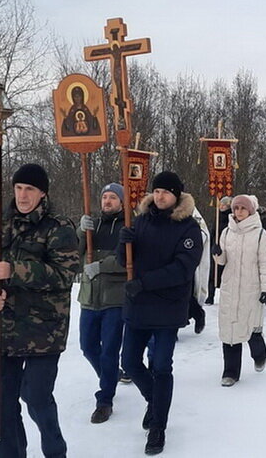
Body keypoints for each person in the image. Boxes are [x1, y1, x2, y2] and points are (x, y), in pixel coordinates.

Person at [0, 163, 79, 458]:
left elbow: (64, 275)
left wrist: (14, 270)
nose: (22, 195)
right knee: (3, 407)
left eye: (29, 189)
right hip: (2, 327)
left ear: (42, 193)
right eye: (18, 188)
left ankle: (55, 450)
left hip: (44, 329)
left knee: (37, 397)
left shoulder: (58, 228)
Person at [118, 171, 203, 454]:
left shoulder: (188, 228)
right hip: (138, 306)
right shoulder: (140, 221)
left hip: (167, 307)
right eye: (157, 191)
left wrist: (145, 283)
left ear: (177, 195)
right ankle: (155, 402)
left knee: (162, 367)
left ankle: (158, 427)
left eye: (166, 191)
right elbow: (124, 261)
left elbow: (182, 269)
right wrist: (124, 241)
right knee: (129, 362)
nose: (160, 196)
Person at [77, 183, 129, 424]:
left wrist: (102, 266)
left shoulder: (127, 226)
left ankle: (105, 399)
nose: (107, 201)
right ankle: (110, 375)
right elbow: (73, 254)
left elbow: (128, 261)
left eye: (112, 198)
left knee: (109, 350)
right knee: (87, 347)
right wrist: (80, 231)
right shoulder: (92, 225)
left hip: (114, 299)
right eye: (104, 197)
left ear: (121, 202)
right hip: (89, 297)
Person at [211, 195, 266, 386]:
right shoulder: (227, 232)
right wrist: (217, 254)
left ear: (250, 211)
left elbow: (265, 263)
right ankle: (230, 372)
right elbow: (223, 261)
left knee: (251, 327)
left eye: (242, 209)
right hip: (230, 287)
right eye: (236, 209)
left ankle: (259, 354)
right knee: (230, 330)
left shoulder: (260, 234)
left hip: (251, 288)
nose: (238, 212)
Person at [188, 206, 211, 334]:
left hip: (188, 260)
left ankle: (198, 314)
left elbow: (203, 234)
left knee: (187, 295)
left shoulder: (192, 212)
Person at [206, 197, 232, 304]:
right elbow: (213, 231)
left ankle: (226, 296)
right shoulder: (217, 216)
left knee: (225, 274)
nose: (221, 207)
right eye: (220, 205)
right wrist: (212, 244)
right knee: (213, 272)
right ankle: (210, 295)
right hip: (215, 248)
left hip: (226, 248)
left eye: (224, 205)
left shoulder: (231, 218)